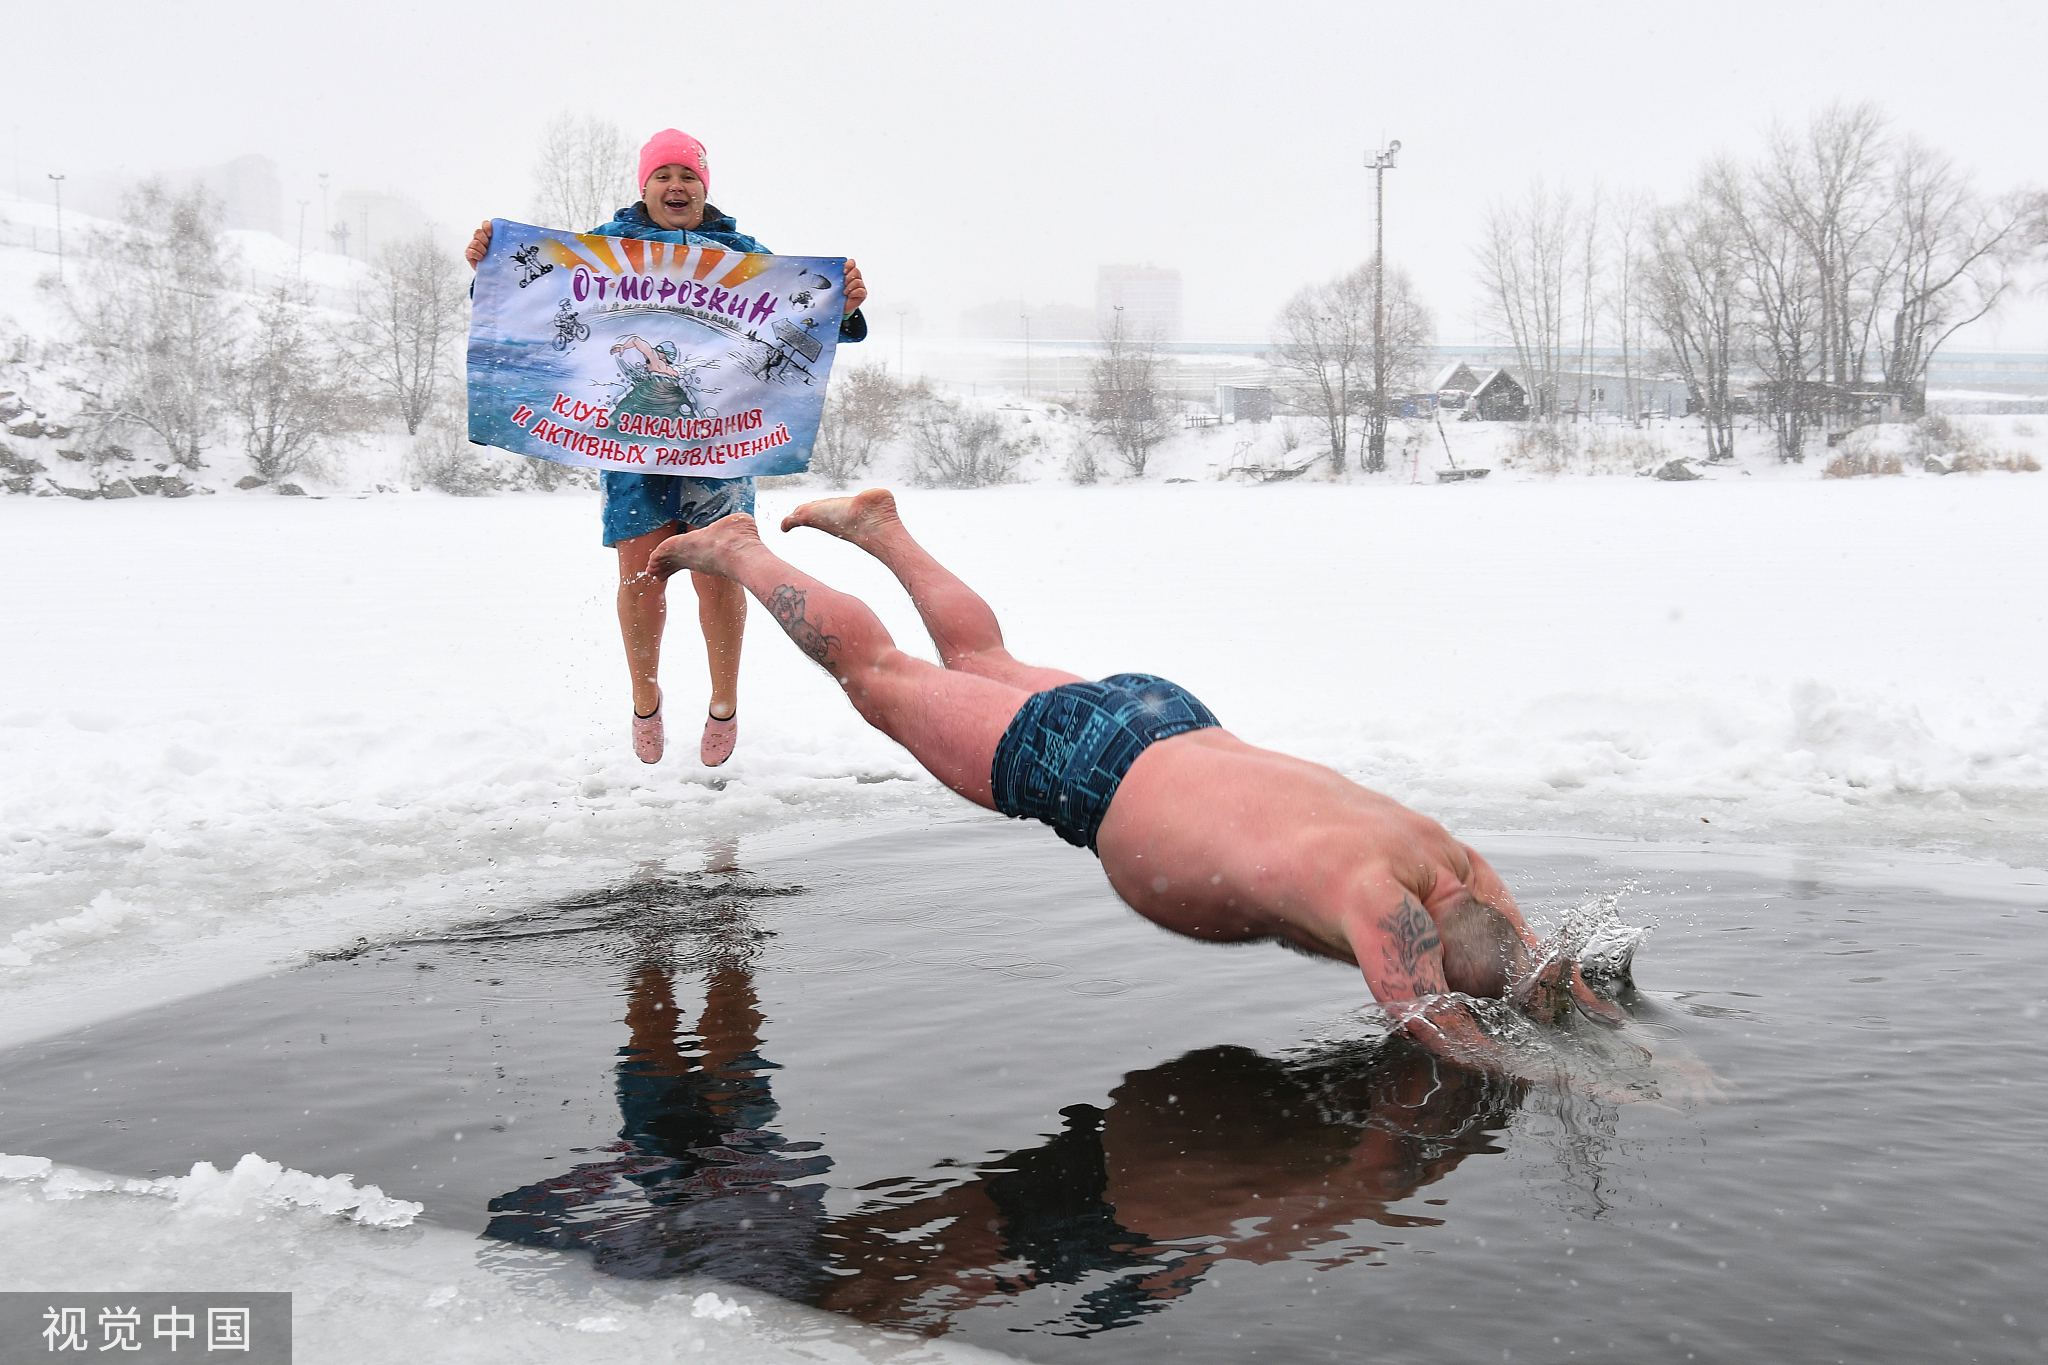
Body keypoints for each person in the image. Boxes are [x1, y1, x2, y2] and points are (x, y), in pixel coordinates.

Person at [644, 491, 1627, 1067]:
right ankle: (741, 549)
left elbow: (1513, 945)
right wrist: (1593, 1082)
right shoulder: (1380, 906)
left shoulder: (1438, 854)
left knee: (982, 660)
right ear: (1419, 934)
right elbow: (1437, 1025)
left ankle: (882, 527)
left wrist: (1574, 994)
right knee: (879, 676)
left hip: (1169, 719)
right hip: (1084, 765)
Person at [466, 128, 869, 767]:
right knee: (641, 571)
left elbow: (806, 320)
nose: (675, 187)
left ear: (704, 188)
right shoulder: (606, 249)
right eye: (664, 176)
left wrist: (843, 304)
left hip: (719, 447)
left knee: (719, 574)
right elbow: (534, 300)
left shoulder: (740, 255)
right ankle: (645, 701)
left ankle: (724, 703)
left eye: (688, 177)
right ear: (644, 185)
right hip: (634, 445)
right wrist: (491, 266)